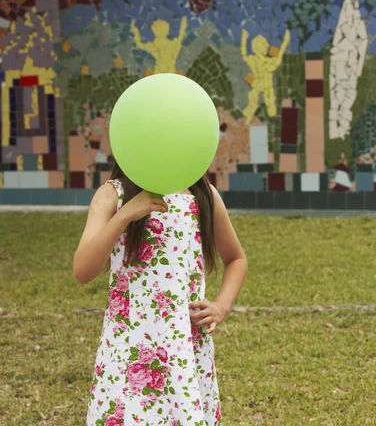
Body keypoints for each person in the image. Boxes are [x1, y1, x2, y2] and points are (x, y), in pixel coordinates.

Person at [73, 162, 248, 426]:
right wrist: (125, 216)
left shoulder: (203, 194)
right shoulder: (113, 194)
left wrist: (221, 306)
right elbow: (83, 271)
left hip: (185, 347)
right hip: (127, 345)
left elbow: (236, 259)